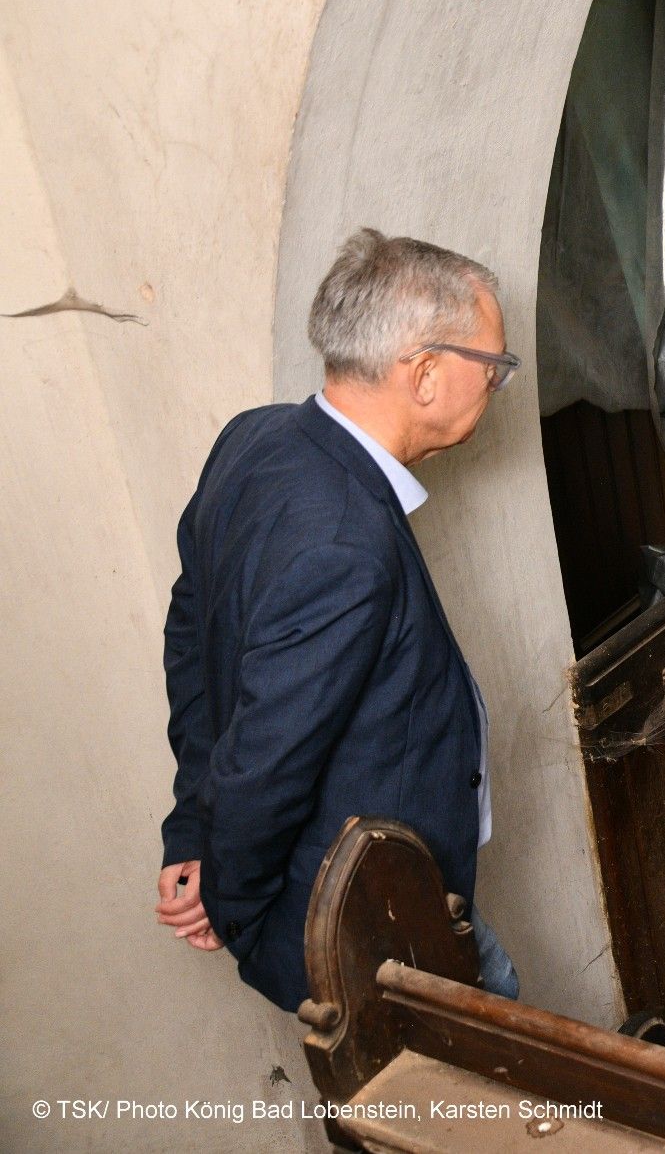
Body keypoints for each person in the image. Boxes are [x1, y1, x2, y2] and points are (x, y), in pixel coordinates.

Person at [155, 229, 521, 1012]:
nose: (497, 384)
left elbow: (191, 635)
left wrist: (191, 824)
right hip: (371, 940)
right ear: (424, 375)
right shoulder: (344, 544)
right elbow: (265, 763)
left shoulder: (253, 438)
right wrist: (232, 902)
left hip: (379, 905)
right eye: (493, 367)